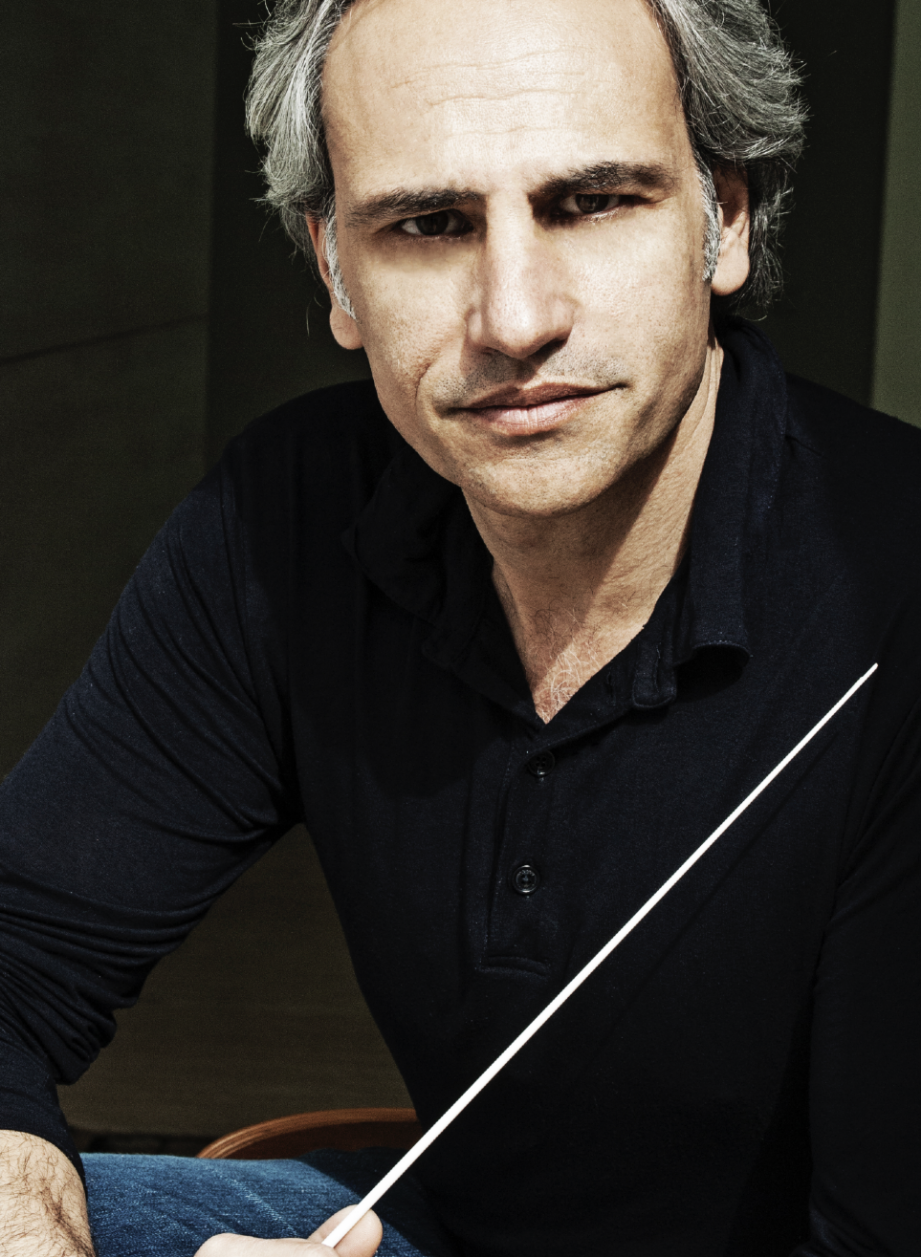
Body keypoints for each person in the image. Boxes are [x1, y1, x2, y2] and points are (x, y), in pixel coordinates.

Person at [1, 0, 919, 1254]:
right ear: (336, 270)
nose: (514, 318)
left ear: (727, 220)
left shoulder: (892, 588)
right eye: (429, 225)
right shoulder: (286, 514)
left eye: (592, 202)